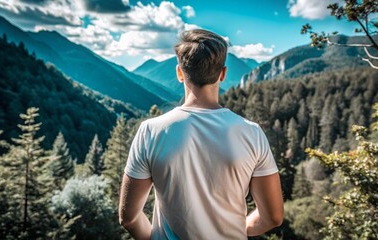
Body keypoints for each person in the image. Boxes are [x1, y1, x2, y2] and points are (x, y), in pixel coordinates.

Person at [119, 29, 283, 240]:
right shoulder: (252, 133)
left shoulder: (150, 131)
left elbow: (129, 218)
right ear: (222, 74)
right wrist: (239, 229)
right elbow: (273, 217)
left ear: (179, 73)